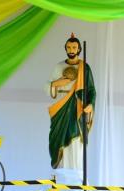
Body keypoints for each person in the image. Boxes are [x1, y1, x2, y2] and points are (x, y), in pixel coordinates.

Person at [48, 33, 96, 170]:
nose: (71, 50)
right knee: (57, 138)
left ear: (79, 49)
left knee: (75, 141)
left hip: (77, 108)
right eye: (68, 47)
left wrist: (91, 104)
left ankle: (76, 177)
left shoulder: (84, 68)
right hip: (60, 106)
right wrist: (56, 83)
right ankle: (61, 176)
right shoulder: (59, 66)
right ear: (66, 49)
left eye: (74, 47)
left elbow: (92, 90)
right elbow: (49, 85)